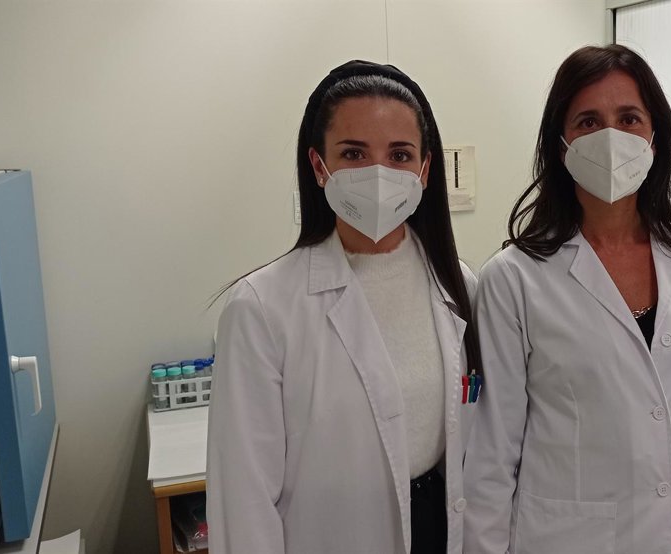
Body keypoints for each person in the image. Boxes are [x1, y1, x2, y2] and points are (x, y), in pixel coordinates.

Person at [464, 45, 671, 554]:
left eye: (629, 119)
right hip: (564, 539)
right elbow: (492, 451)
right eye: (589, 121)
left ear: (655, 138)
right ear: (561, 145)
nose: (611, 137)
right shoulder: (513, 279)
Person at [206, 60, 480, 554]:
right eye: (353, 153)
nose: (378, 174)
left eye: (399, 155)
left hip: (441, 528)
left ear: (424, 170)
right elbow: (243, 504)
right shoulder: (261, 308)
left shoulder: (458, 285)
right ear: (319, 166)